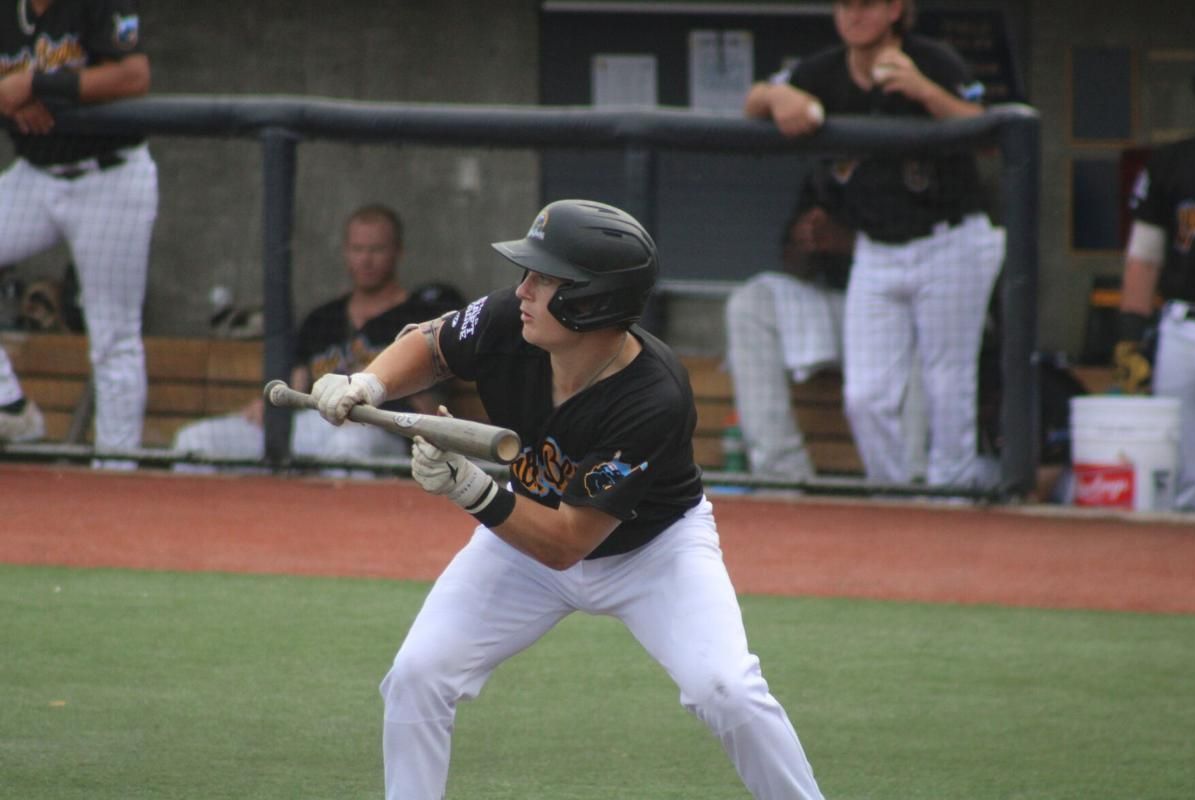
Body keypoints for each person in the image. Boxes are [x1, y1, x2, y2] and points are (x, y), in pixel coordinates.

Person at [311, 199, 826, 799]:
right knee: (418, 676)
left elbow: (565, 544)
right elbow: (433, 345)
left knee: (728, 690)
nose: (523, 289)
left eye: (546, 278)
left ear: (593, 301)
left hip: (652, 553)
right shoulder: (514, 318)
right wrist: (367, 382)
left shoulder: (653, 399)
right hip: (521, 536)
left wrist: (468, 488)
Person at [744, 0, 1005, 488]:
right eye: (845, 5)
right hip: (878, 247)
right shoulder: (822, 69)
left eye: (866, 4)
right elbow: (754, 99)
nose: (853, 15)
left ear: (894, 9)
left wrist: (924, 91)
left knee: (946, 384)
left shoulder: (933, 59)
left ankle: (952, 500)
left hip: (949, 240)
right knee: (865, 397)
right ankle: (893, 494)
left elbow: (990, 133)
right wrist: (777, 98)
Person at [172, 204, 462, 471]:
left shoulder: (420, 317)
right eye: (358, 249)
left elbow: (430, 405)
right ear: (345, 252)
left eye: (376, 249)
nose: (366, 259)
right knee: (193, 440)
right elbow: (297, 383)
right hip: (315, 424)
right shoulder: (323, 318)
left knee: (345, 447)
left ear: (398, 252)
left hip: (378, 429)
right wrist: (269, 410)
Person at [0, 0, 157, 457]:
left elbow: (134, 77)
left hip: (109, 178)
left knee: (113, 338)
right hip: (35, 175)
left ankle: (116, 468)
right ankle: (9, 406)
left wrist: (39, 85)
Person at [725, 160, 926, 482]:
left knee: (930, 328)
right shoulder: (823, 175)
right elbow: (794, 267)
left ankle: (912, 483)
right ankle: (781, 476)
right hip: (839, 307)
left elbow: (928, 256)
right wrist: (807, 239)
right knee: (751, 302)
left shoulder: (909, 167)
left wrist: (852, 242)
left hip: (901, 310)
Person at [1112, 64, 1195, 511]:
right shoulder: (1172, 163)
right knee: (1183, 469)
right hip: (1184, 326)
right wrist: (1130, 335)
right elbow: (1144, 258)